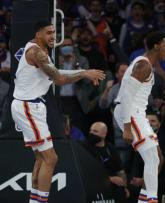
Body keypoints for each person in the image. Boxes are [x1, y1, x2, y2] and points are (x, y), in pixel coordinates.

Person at [10, 21, 105, 203]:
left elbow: (56, 74)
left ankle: (35, 201)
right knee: (51, 159)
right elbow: (59, 79)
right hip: (28, 107)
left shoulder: (40, 50)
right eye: (48, 33)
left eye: (54, 32)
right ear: (38, 35)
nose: (53, 36)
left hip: (31, 106)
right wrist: (85, 73)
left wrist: (84, 71)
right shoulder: (36, 52)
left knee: (41, 158)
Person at [114, 31, 165, 203]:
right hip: (130, 112)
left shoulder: (146, 64)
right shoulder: (143, 65)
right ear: (156, 46)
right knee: (153, 158)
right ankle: (150, 200)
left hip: (137, 112)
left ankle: (146, 200)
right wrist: (127, 127)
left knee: (157, 158)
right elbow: (126, 97)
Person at [86, 122, 130, 203]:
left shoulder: (111, 149)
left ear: (104, 134)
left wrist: (124, 186)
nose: (91, 133)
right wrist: (109, 179)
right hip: (94, 184)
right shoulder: (85, 149)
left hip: (112, 186)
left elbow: (120, 171)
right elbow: (86, 173)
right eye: (90, 131)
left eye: (95, 131)